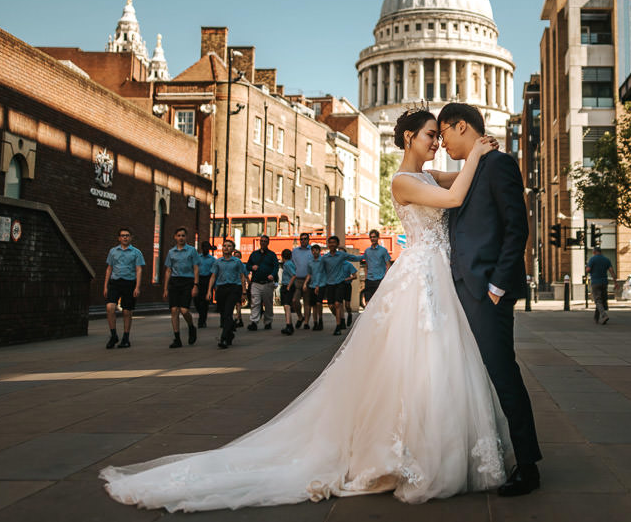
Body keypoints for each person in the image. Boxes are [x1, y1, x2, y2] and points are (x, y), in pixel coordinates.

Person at [101, 107, 510, 510]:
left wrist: (483, 156)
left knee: (439, 361)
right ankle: (403, 453)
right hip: (420, 276)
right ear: (408, 138)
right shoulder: (403, 181)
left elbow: (462, 180)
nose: (436, 143)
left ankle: (435, 444)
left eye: (439, 137)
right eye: (429, 136)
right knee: (416, 359)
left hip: (437, 274)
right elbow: (456, 196)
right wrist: (476, 154)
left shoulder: (426, 174)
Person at [437, 102, 542, 496]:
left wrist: (497, 286)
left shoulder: (498, 164)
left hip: (487, 292)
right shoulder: (471, 168)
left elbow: (518, 226)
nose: (442, 141)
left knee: (503, 374)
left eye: (444, 132)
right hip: (459, 290)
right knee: (471, 377)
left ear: (461, 126)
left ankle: (528, 466)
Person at [104, 228, 145, 349]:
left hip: (129, 283)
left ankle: (126, 338)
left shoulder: (136, 252)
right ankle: (113, 335)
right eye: (122, 236)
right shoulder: (113, 251)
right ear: (119, 238)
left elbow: (139, 269)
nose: (125, 237)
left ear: (131, 237)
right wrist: (105, 285)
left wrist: (137, 287)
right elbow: (109, 268)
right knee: (109, 307)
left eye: (127, 235)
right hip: (115, 283)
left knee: (127, 311)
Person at [162, 227, 199, 348]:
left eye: (183, 235)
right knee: (174, 310)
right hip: (174, 282)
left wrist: (195, 285)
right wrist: (165, 288)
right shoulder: (171, 252)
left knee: (184, 310)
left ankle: (191, 327)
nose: (181, 238)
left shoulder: (192, 251)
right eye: (179, 235)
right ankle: (177, 338)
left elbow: (196, 268)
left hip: (187, 282)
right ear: (175, 237)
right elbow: (168, 270)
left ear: (186, 237)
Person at [208, 239, 246, 349]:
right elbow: (213, 276)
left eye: (229, 246)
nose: (226, 248)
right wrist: (209, 291)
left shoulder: (237, 262)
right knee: (223, 314)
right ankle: (230, 332)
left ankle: (223, 338)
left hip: (234, 288)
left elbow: (242, 276)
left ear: (233, 249)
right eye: (224, 246)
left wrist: (244, 291)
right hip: (221, 289)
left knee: (228, 312)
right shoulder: (218, 262)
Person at [319, 235, 352, 335]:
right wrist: (318, 284)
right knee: (331, 305)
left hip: (342, 284)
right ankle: (341, 318)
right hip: (330, 284)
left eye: (334, 242)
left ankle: (338, 326)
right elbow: (321, 271)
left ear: (337, 244)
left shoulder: (347, 264)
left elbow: (354, 273)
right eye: (330, 242)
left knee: (340, 304)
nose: (332, 244)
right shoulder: (325, 258)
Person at [246, 235, 279, 331]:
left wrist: (272, 275)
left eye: (265, 241)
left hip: (267, 283)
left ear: (268, 243)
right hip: (256, 283)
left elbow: (276, 267)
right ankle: (254, 322)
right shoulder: (254, 254)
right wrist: (252, 267)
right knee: (255, 303)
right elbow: (248, 265)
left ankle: (268, 322)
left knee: (268, 304)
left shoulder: (272, 255)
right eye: (262, 241)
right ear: (259, 242)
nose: (263, 243)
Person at [358, 229, 393, 304]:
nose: (372, 239)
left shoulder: (383, 250)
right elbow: (366, 265)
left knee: (378, 302)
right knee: (367, 302)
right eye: (371, 237)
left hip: (379, 280)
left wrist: (385, 278)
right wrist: (366, 277)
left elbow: (388, 265)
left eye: (374, 237)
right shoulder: (367, 251)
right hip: (369, 280)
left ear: (378, 238)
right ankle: (369, 316)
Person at [288, 232, 313, 329]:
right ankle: (300, 317)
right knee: (294, 300)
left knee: (307, 302)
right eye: (301, 239)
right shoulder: (295, 251)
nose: (303, 241)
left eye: (305, 239)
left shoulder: (312, 250)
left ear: (308, 240)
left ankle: (306, 322)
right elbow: (292, 264)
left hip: (309, 279)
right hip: (297, 279)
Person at [586, 247, 615, 325]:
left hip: (595, 282)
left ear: (594, 252)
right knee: (601, 300)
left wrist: (588, 269)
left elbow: (588, 270)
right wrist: (615, 282)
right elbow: (612, 271)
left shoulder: (592, 259)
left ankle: (604, 315)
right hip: (604, 282)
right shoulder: (606, 260)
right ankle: (596, 318)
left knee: (598, 300)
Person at [194, 243, 216, 328]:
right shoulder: (198, 258)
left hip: (207, 280)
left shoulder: (213, 260)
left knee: (205, 302)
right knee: (196, 300)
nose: (205, 249)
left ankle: (202, 320)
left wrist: (214, 285)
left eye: (207, 247)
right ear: (202, 248)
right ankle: (201, 314)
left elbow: (214, 273)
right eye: (204, 247)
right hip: (198, 279)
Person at [304, 244, 326, 331]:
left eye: (316, 250)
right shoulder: (310, 262)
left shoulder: (323, 261)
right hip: (312, 285)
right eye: (313, 250)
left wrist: (318, 285)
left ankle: (320, 320)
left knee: (319, 303)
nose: (314, 252)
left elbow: (322, 273)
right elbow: (309, 274)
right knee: (313, 305)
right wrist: (305, 283)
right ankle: (315, 322)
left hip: (321, 284)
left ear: (319, 251)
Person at [277, 249, 296, 335]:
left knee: (286, 306)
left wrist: (288, 285)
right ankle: (289, 325)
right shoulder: (289, 263)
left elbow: (293, 275)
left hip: (287, 286)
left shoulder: (287, 264)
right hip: (287, 285)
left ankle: (289, 325)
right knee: (286, 306)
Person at [341, 258, 359, 326]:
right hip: (338, 285)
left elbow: (355, 276)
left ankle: (349, 314)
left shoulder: (348, 264)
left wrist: (346, 279)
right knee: (339, 304)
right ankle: (342, 320)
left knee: (347, 305)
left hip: (347, 285)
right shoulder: (336, 265)